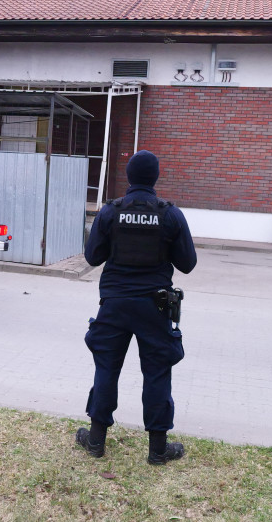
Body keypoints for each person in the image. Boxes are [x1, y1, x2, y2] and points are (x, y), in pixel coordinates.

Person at [77, 150, 197, 465]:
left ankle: (96, 441)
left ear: (129, 177)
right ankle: (158, 450)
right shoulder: (170, 215)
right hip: (154, 307)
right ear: (155, 177)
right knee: (157, 373)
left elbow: (92, 257)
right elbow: (188, 264)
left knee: (107, 368)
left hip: (114, 305)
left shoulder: (110, 212)